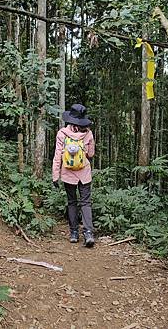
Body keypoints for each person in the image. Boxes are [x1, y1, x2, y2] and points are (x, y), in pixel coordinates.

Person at [52, 104, 96, 247]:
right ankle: (88, 232)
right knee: (85, 202)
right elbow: (91, 154)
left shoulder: (62, 133)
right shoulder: (88, 133)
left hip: (67, 173)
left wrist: (55, 175)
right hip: (84, 173)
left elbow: (57, 156)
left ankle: (74, 233)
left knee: (72, 202)